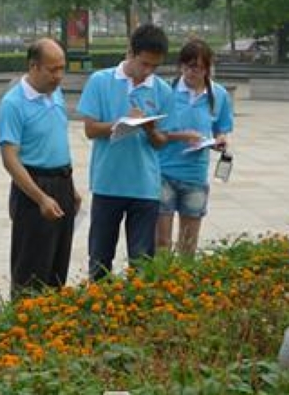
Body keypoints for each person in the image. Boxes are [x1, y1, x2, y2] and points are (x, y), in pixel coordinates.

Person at [76, 24, 177, 281]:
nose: (148, 72)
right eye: (144, 64)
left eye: (154, 66)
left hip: (144, 187)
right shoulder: (101, 81)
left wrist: (150, 129)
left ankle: (138, 315)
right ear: (130, 52)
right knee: (100, 260)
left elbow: (161, 142)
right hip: (107, 183)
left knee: (142, 263)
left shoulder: (162, 90)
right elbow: (89, 129)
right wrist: (120, 123)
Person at [0, 38, 80, 296]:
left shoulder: (55, 93)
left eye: (62, 68)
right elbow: (10, 158)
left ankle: (52, 327)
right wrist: (41, 198)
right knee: (31, 269)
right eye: (52, 69)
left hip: (62, 183)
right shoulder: (13, 103)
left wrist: (71, 188)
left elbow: (58, 143)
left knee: (58, 264)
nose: (59, 76)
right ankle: (25, 327)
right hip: (33, 187)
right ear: (33, 66)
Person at [155, 39, 234, 257]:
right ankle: (161, 282)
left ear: (208, 69)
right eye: (189, 66)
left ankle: (185, 284)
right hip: (164, 171)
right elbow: (154, 132)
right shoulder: (166, 91)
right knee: (161, 240)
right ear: (181, 66)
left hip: (195, 175)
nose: (194, 73)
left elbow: (221, 128)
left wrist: (220, 140)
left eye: (200, 68)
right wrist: (182, 136)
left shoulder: (218, 95)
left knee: (188, 242)